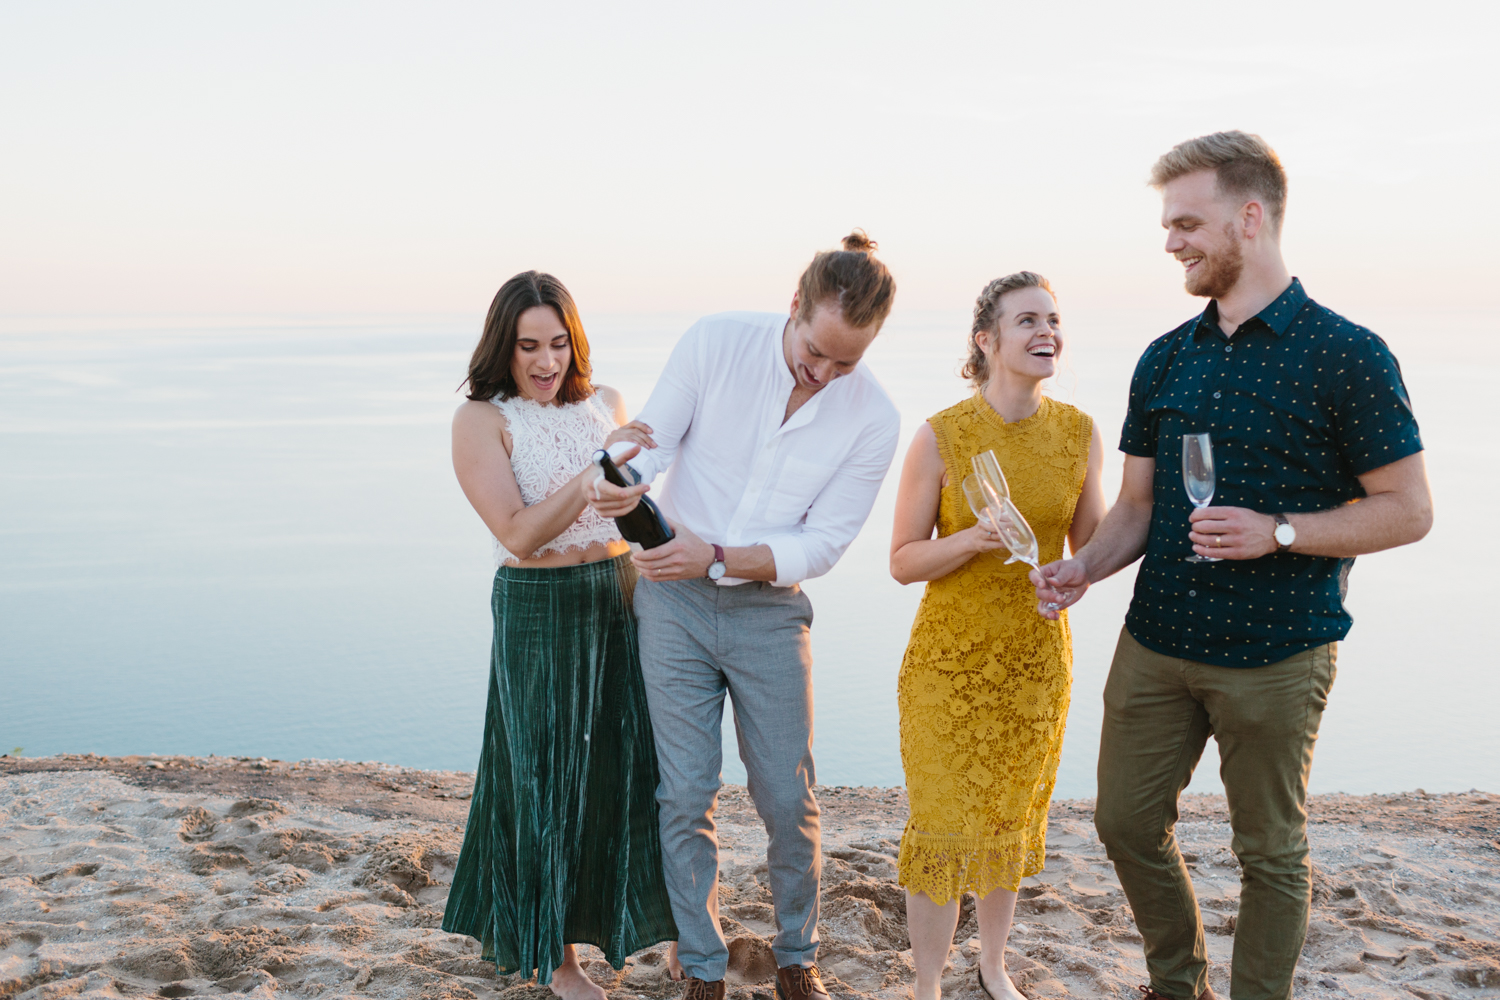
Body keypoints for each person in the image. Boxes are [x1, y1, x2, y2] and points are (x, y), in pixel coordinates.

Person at [1031, 132, 1433, 1000]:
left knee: (1271, 854)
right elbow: (1136, 509)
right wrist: (1083, 570)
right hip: (1157, 642)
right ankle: (1179, 984)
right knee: (1124, 823)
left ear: (1250, 219)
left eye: (1186, 223)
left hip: (1278, 655)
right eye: (1167, 225)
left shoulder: (1347, 354)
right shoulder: (1165, 356)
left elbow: (1409, 511)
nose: (1170, 242)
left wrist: (1279, 532)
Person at [587, 232, 901, 1000]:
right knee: (685, 790)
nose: (823, 374)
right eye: (814, 352)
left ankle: (798, 953)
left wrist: (719, 556)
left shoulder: (875, 418)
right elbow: (649, 445)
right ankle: (702, 962)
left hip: (769, 612)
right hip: (672, 602)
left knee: (788, 796)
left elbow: (822, 544)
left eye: (845, 363)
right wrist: (619, 479)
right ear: (793, 305)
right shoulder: (717, 340)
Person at [442, 271, 679, 1000]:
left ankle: (670, 936)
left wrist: (634, 493)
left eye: (558, 344)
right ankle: (563, 961)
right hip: (537, 605)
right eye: (528, 347)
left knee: (638, 765)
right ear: (503, 349)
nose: (546, 362)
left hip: (620, 591)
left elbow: (626, 508)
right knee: (547, 777)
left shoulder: (605, 403)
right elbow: (515, 533)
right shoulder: (480, 418)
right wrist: (590, 473)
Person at [888, 272, 1105, 1000]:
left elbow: (1092, 549)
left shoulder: (1079, 433)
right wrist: (974, 540)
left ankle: (993, 966)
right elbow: (902, 561)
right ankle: (927, 984)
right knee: (944, 828)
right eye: (1028, 322)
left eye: (1052, 319)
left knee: (1005, 826)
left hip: (1036, 662)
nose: (1048, 332)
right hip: (948, 666)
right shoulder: (940, 435)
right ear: (987, 341)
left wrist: (1072, 576)